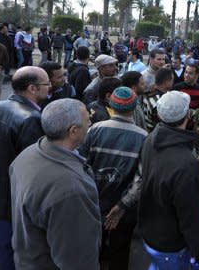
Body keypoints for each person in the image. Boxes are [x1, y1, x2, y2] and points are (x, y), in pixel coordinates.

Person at [9, 99, 100, 270]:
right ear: (73, 131)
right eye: (87, 120)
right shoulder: (70, 188)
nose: (90, 123)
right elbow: (77, 259)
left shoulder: (27, 154)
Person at [0, 66, 49, 270]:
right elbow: (34, 165)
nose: (50, 87)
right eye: (46, 84)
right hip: (20, 193)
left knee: (6, 242)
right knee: (20, 247)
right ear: (32, 88)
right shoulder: (32, 119)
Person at [138, 91, 199, 269]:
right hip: (170, 242)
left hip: (151, 230)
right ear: (187, 115)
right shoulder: (186, 163)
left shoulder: (150, 139)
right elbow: (191, 217)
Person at [79, 87, 147, 270]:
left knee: (94, 248)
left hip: (93, 203)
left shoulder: (94, 130)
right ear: (134, 107)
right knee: (120, 251)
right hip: (124, 212)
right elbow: (140, 179)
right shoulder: (143, 137)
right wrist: (122, 206)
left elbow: (80, 165)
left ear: (111, 105)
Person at [141, 67, 174, 132]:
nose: (173, 82)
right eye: (172, 80)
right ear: (166, 82)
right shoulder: (159, 102)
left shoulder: (148, 93)